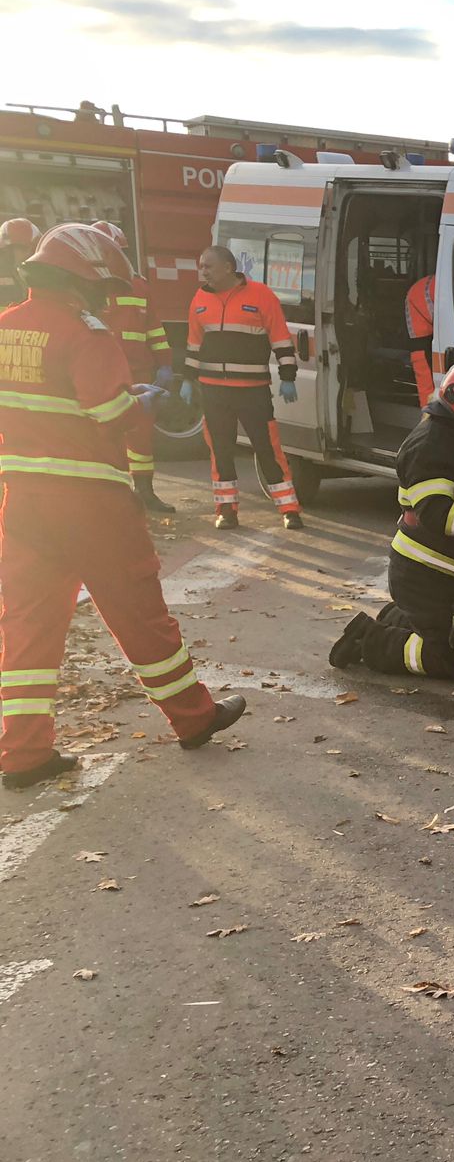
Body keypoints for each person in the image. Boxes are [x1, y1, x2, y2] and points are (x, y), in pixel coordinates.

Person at [0, 224, 244, 790]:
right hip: (91, 502)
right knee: (139, 613)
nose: (106, 298)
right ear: (85, 280)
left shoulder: (7, 326)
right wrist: (143, 403)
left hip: (22, 504)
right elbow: (111, 416)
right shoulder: (87, 333)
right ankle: (194, 716)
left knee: (28, 628)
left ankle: (22, 752)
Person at [328, 359, 454, 681]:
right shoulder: (429, 446)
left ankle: (397, 618)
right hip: (426, 575)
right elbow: (437, 513)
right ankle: (368, 641)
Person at [183, 245, 301, 530]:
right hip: (214, 391)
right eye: (201, 266)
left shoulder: (261, 295)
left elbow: (281, 337)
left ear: (227, 267)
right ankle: (226, 510)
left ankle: (289, 509)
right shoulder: (199, 298)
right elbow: (193, 343)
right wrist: (187, 378)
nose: (203, 271)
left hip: (253, 390)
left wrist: (287, 375)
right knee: (220, 451)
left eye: (208, 266)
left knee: (268, 449)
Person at [91, 221, 177, 514]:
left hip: (138, 374)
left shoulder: (139, 285)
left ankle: (144, 492)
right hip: (100, 374)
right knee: (103, 437)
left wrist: (166, 366)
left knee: (140, 437)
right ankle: (110, 497)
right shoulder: (85, 285)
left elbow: (154, 329)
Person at [404, 273, 437, 407]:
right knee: (429, 400)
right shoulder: (439, 285)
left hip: (421, 345)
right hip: (423, 346)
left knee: (428, 399)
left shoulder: (424, 286)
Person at [0, 218, 39, 310]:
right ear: (6, 249)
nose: (28, 253)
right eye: (22, 248)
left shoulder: (38, 272)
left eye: (32, 249)